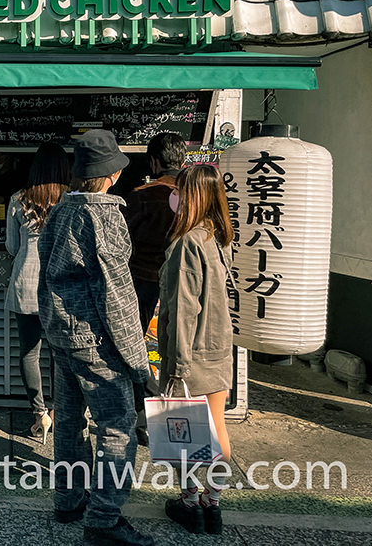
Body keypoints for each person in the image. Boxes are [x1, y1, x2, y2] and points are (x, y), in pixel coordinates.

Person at [38, 130, 154, 546]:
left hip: (62, 335)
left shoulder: (60, 211)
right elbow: (118, 293)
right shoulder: (105, 214)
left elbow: (44, 273)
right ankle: (103, 519)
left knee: (69, 422)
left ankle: (68, 499)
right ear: (111, 174)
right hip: (96, 343)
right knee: (116, 426)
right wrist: (139, 362)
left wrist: (52, 326)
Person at [158, 164, 235, 536]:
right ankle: (213, 503)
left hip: (190, 354)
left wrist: (176, 366)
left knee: (182, 435)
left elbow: (185, 308)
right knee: (218, 430)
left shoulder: (188, 242)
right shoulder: (219, 238)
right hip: (219, 349)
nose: (176, 195)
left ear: (193, 196)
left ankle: (189, 501)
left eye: (181, 189)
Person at [123, 132, 187, 445]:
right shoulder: (198, 195)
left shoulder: (141, 194)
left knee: (139, 348)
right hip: (184, 286)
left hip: (143, 281)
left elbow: (124, 239)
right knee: (176, 350)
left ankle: (143, 418)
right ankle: (177, 420)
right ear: (184, 160)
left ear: (154, 161)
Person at [5, 143, 70, 444]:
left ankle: (38, 414)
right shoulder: (70, 201)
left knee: (29, 353)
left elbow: (11, 247)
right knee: (60, 354)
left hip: (25, 284)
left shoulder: (18, 199)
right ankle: (58, 412)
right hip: (60, 286)